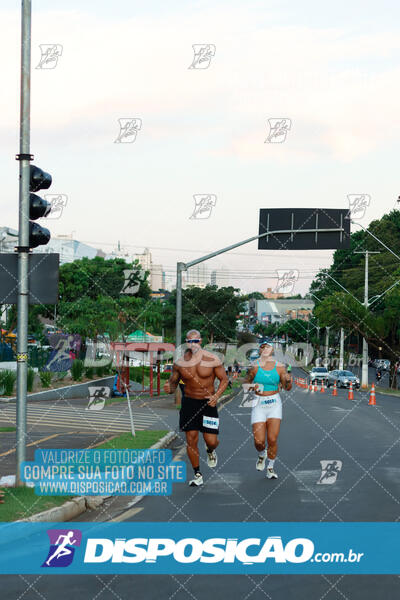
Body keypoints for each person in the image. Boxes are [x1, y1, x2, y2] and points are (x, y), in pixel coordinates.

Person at [164, 329, 228, 487]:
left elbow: (224, 380)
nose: (193, 344)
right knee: (191, 439)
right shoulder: (180, 363)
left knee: (211, 441)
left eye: (196, 341)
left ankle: (210, 450)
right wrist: (169, 387)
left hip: (208, 403)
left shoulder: (212, 359)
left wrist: (216, 396)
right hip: (189, 403)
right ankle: (197, 473)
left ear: (201, 341)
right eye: (190, 341)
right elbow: (173, 383)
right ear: (187, 342)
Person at [244, 342, 292, 480]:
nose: (265, 349)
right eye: (262, 347)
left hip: (274, 403)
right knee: (259, 442)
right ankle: (261, 455)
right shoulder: (254, 366)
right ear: (259, 351)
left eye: (268, 347)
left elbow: (287, 387)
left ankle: (270, 467)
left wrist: (288, 381)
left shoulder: (280, 367)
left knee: (272, 438)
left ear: (272, 351)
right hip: (258, 403)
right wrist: (253, 387)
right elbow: (245, 384)